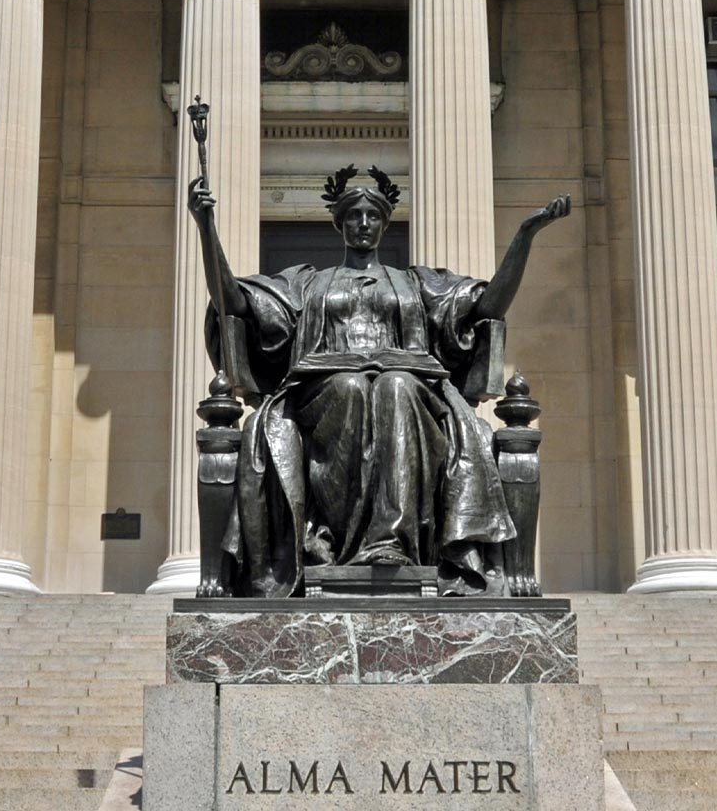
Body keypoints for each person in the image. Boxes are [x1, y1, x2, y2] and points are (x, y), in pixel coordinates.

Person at [190, 160, 572, 597]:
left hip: (409, 390)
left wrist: (525, 235)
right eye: (353, 215)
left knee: (395, 386)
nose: (364, 223)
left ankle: (389, 545)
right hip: (324, 390)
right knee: (351, 388)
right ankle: (334, 544)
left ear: (386, 224)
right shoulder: (308, 283)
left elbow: (487, 307)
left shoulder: (415, 283)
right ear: (339, 224)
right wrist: (206, 228)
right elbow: (235, 301)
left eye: (373, 216)